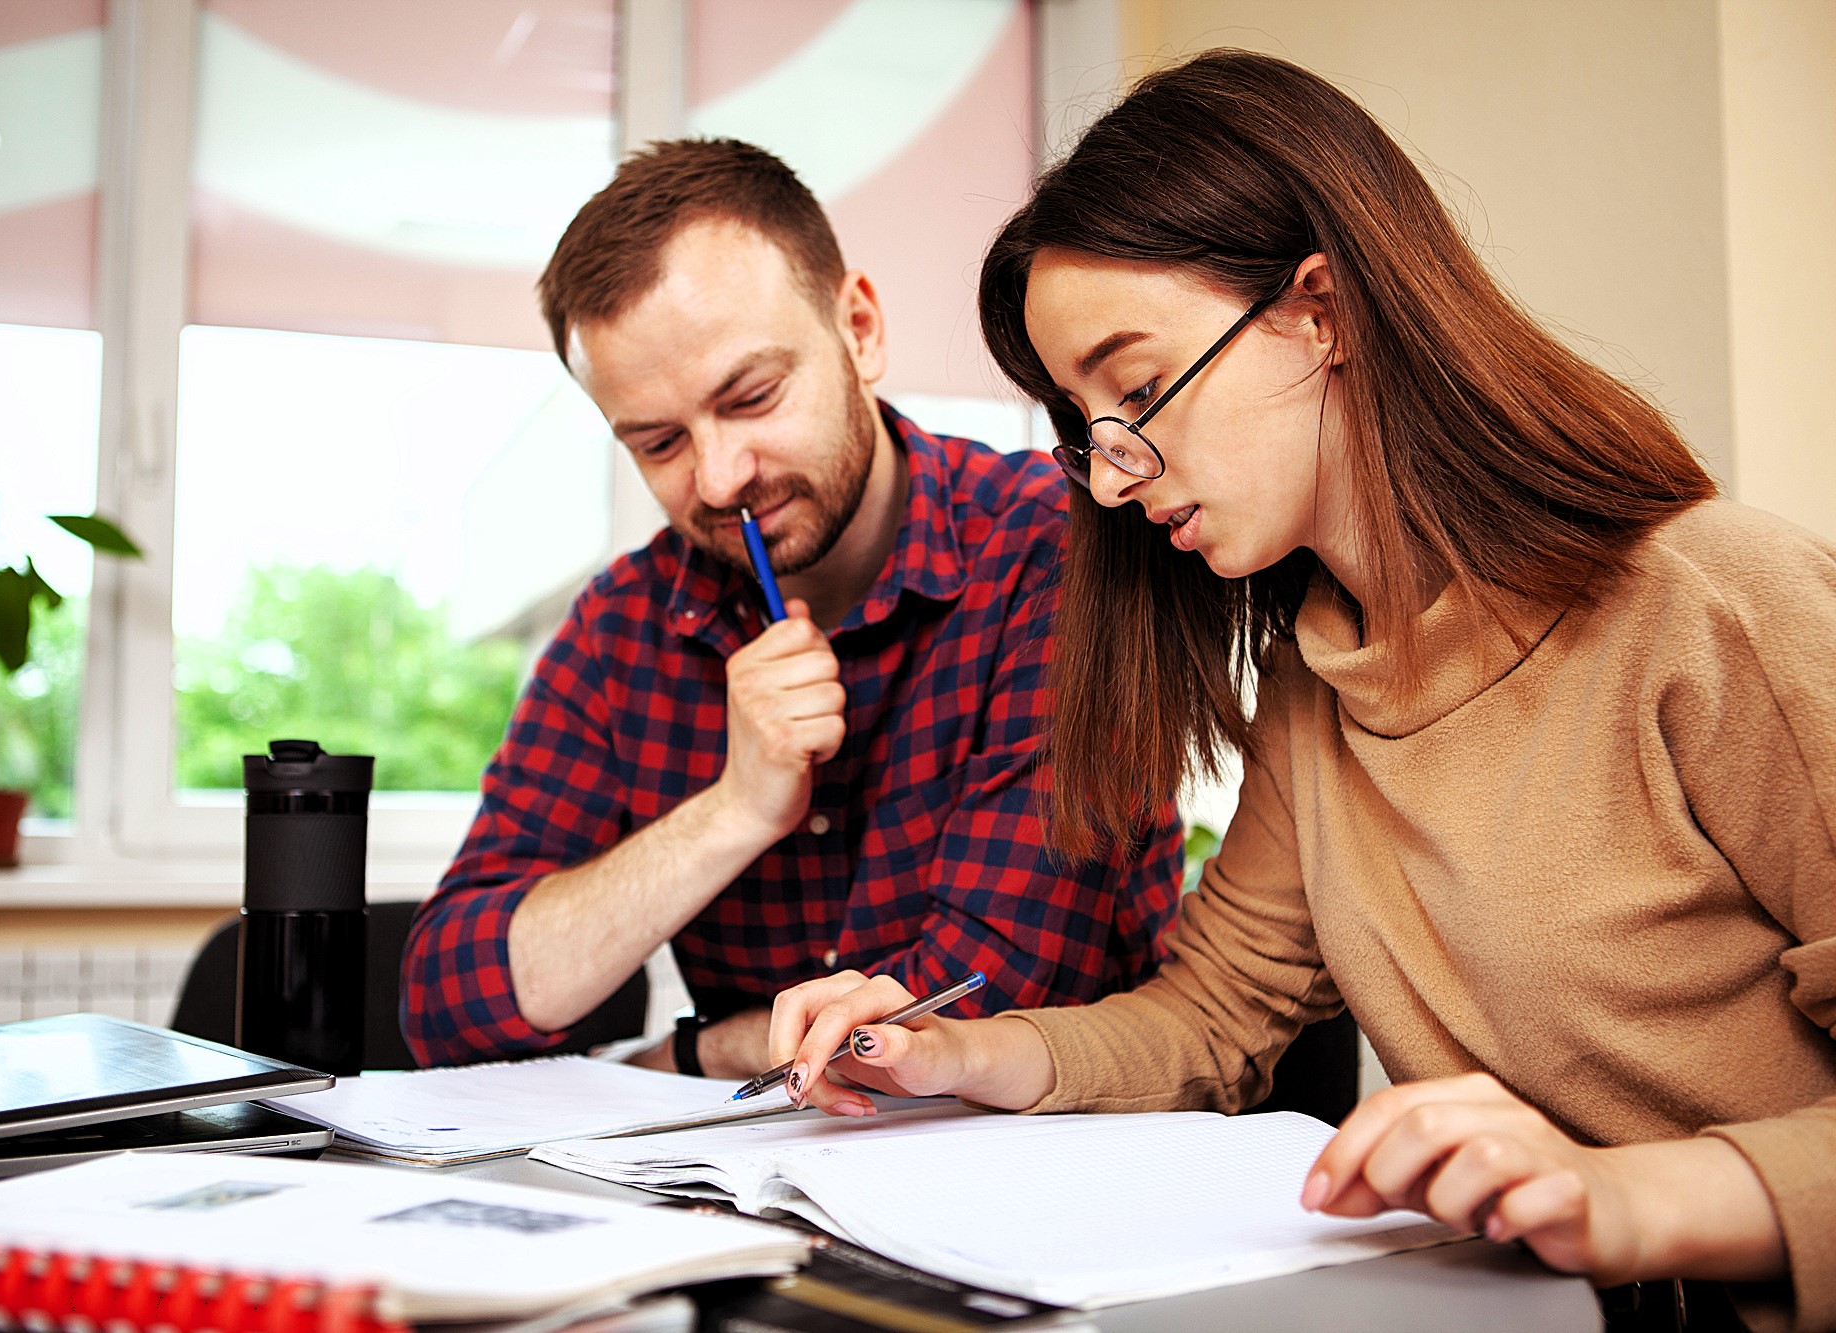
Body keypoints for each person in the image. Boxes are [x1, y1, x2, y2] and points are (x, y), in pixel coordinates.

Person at [767, 51, 1836, 1332]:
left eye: (1139, 386)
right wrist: (951, 1054)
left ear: (1320, 312)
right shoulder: (1317, 674)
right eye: (1083, 419)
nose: (1109, 478)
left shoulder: (1715, 603)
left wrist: (1620, 1198)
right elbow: (1214, 1014)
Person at [399, 139, 1183, 1080]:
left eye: (752, 396)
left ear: (858, 328)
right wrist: (735, 809)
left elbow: (986, 996)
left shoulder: (1056, 546)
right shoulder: (624, 627)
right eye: (658, 443)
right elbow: (447, 1005)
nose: (721, 477)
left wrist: (699, 1050)